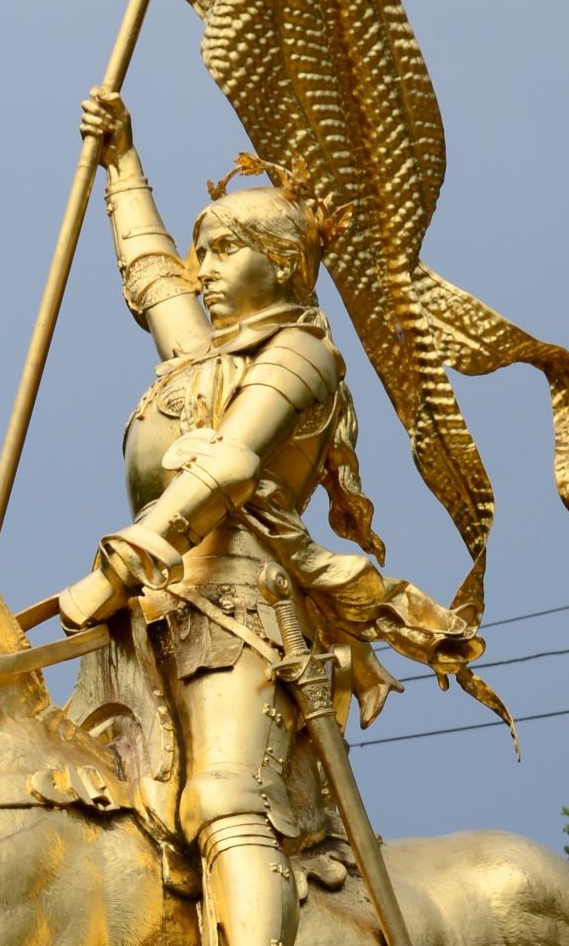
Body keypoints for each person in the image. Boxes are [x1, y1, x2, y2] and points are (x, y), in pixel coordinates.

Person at [60, 90, 484, 946]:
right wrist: (121, 163)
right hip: (146, 615)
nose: (201, 267)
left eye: (222, 251)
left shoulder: (302, 356)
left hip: (241, 612)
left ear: (284, 265)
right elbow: (150, 278)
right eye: (200, 250)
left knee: (224, 799)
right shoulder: (200, 353)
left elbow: (232, 463)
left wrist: (129, 553)